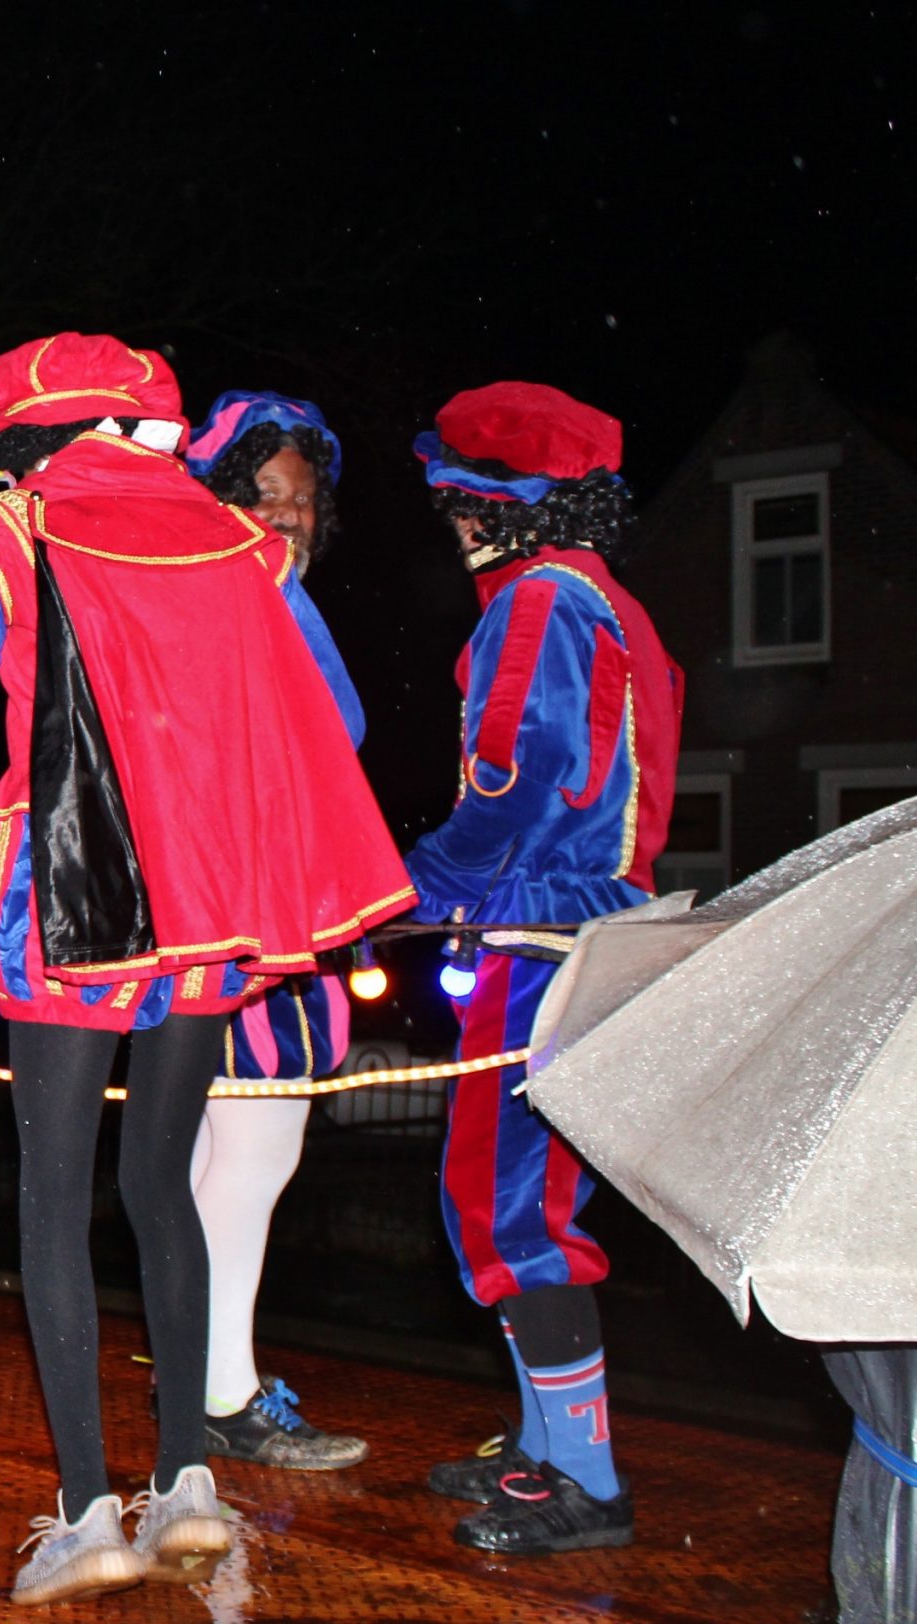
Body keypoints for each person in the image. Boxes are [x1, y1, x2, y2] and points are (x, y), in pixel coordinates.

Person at [0, 332, 412, 1605]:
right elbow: (331, 718)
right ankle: (186, 1484)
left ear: (28, 431)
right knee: (160, 1187)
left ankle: (84, 1514)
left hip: (64, 906)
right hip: (207, 909)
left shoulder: (6, 532)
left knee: (53, 1201)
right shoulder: (242, 544)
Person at [406, 381, 682, 1555]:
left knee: (510, 1206)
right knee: (520, 1197)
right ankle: (540, 1453)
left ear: (501, 506)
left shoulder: (534, 603)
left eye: (459, 502)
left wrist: (417, 884)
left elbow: (512, 777)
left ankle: (588, 1482)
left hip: (537, 933)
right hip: (586, 924)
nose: (451, 524)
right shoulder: (613, 602)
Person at [178, 391, 370, 1470]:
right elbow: (332, 723)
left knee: (224, 1158)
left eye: (299, 503)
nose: (285, 519)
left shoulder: (234, 588)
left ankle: (211, 1377)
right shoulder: (247, 590)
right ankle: (223, 1393)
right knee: (248, 1157)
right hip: (253, 913)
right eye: (264, 495)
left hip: (239, 903)